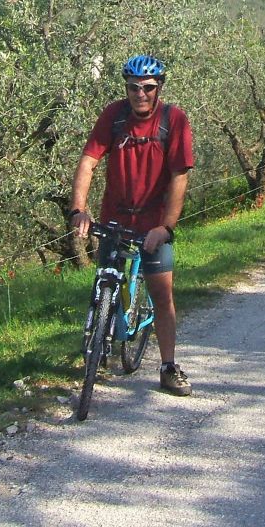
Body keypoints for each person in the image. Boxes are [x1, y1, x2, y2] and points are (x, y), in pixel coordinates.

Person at [69, 54, 194, 396]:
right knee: (105, 278)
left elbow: (179, 177)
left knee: (162, 295)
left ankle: (168, 367)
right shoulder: (114, 116)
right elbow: (88, 161)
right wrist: (79, 209)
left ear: (159, 88)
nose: (140, 94)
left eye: (148, 87)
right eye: (133, 87)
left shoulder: (174, 120)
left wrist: (166, 227)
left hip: (154, 224)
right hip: (115, 217)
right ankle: (101, 334)